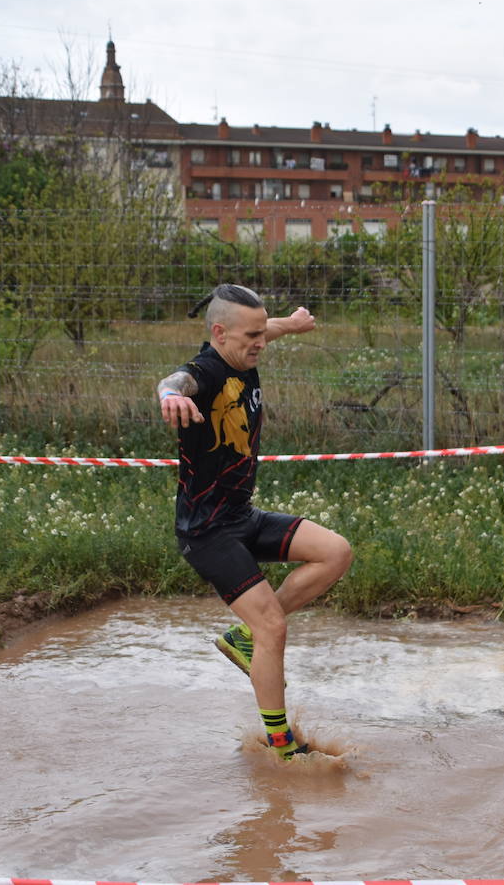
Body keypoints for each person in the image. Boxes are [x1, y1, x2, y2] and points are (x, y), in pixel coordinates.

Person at [157, 284, 353, 760]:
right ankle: (282, 746)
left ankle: (245, 638)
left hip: (242, 516)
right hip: (206, 531)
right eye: (251, 336)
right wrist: (168, 396)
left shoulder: (247, 345)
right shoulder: (204, 372)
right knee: (274, 629)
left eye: (263, 333)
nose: (260, 343)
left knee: (336, 552)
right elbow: (174, 379)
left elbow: (271, 327)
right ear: (219, 333)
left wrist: (292, 322)